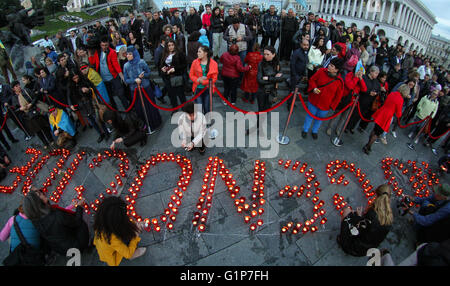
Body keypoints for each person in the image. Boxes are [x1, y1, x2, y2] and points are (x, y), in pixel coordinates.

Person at [23, 189, 90, 256]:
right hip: (76, 246)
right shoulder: (56, 215)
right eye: (40, 194)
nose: (42, 193)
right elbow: (77, 221)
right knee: (82, 222)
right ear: (38, 203)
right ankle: (85, 245)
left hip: (62, 250)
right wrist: (79, 207)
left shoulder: (36, 221)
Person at [337, 184, 393, 257]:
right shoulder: (390, 217)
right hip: (368, 250)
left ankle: (342, 240)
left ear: (376, 195)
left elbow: (357, 230)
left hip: (355, 248)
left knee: (347, 211)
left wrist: (358, 216)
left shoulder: (372, 213)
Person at [93, 196, 146, 266]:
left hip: (103, 242)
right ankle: (134, 254)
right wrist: (135, 235)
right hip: (111, 253)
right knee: (129, 250)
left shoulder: (102, 221)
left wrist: (134, 224)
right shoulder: (112, 239)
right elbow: (127, 254)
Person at [301, 57, 344, 140]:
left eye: (332, 66)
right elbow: (312, 80)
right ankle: (305, 129)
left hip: (325, 105)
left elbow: (338, 96)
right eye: (330, 64)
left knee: (320, 119)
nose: (329, 66)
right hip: (314, 100)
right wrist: (313, 88)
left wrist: (332, 106)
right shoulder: (321, 71)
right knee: (310, 116)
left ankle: (314, 131)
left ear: (336, 70)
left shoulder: (339, 81)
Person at [363, 84, 411, 154]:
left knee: (375, 129)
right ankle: (367, 146)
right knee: (377, 133)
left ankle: (368, 144)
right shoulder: (400, 99)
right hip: (387, 116)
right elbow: (398, 114)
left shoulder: (392, 93)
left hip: (382, 112)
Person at [123, 46, 162, 133]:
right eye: (127, 54)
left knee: (150, 106)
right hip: (135, 90)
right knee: (140, 108)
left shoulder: (141, 62)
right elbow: (126, 79)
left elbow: (148, 73)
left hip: (145, 88)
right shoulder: (126, 66)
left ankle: (154, 123)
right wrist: (134, 80)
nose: (128, 56)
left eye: (130, 54)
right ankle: (144, 126)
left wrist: (143, 75)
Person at [246, 46, 284, 135]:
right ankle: (257, 127)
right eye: (264, 54)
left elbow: (281, 79)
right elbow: (259, 80)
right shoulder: (261, 64)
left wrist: (268, 78)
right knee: (261, 111)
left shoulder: (277, 65)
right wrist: (274, 78)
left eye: (268, 54)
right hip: (262, 92)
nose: (265, 56)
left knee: (266, 111)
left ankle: (258, 127)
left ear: (273, 55)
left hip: (271, 92)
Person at [12, 80, 54, 149]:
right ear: (13, 89)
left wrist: (31, 104)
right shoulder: (14, 98)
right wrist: (20, 109)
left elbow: (35, 97)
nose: (19, 87)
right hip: (27, 116)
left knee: (43, 126)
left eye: (19, 85)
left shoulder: (26, 90)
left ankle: (50, 140)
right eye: (16, 86)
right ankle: (45, 142)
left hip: (35, 111)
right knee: (37, 130)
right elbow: (15, 110)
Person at [326, 69, 366, 139]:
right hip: (344, 99)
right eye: (359, 71)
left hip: (351, 102)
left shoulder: (360, 79)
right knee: (336, 114)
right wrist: (356, 78)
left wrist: (361, 79)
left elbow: (364, 89)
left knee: (344, 117)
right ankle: (329, 127)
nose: (360, 73)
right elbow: (350, 86)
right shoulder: (349, 75)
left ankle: (338, 129)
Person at [89, 38, 127, 110]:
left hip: (113, 76)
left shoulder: (112, 52)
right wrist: (90, 54)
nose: (104, 47)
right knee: (110, 96)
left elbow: (116, 64)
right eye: (102, 45)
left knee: (121, 94)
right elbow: (92, 62)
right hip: (104, 78)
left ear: (108, 44)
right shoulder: (98, 52)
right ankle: (115, 111)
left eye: (105, 45)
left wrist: (121, 76)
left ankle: (127, 109)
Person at [346, 66, 381, 134]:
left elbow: (378, 89)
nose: (377, 75)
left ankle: (352, 127)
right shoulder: (364, 77)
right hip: (360, 100)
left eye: (377, 73)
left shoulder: (376, 82)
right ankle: (347, 126)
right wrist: (369, 92)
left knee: (359, 116)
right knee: (353, 115)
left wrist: (375, 93)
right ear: (371, 72)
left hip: (368, 102)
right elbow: (362, 87)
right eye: (376, 73)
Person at [159, 39, 187, 111]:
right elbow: (161, 65)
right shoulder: (164, 54)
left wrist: (175, 69)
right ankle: (175, 110)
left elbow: (184, 65)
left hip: (177, 77)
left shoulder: (179, 53)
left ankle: (185, 110)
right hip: (168, 78)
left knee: (181, 96)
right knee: (172, 96)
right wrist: (163, 69)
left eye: (172, 45)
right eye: (169, 45)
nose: (171, 47)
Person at [190, 46, 218, 115]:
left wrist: (204, 81)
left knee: (207, 107)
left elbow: (214, 78)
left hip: (208, 89)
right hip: (197, 88)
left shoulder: (214, 63)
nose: (197, 53)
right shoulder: (195, 62)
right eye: (198, 52)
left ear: (205, 53)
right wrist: (198, 80)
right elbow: (191, 75)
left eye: (199, 52)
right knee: (198, 108)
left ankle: (207, 121)